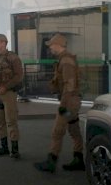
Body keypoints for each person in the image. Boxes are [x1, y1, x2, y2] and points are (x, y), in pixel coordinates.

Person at [34, 33, 84, 172]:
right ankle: (78, 159)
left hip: (69, 102)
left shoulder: (66, 60)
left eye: (51, 45)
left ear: (58, 45)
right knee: (74, 129)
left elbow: (70, 85)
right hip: (73, 101)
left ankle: (51, 161)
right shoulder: (64, 59)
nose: (50, 48)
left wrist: (63, 106)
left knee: (57, 130)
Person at [0, 33, 24, 159]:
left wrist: (5, 87)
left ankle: (15, 149)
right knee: (0, 122)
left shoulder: (13, 57)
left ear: (3, 43)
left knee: (11, 121)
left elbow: (19, 76)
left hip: (8, 95)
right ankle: (4, 147)